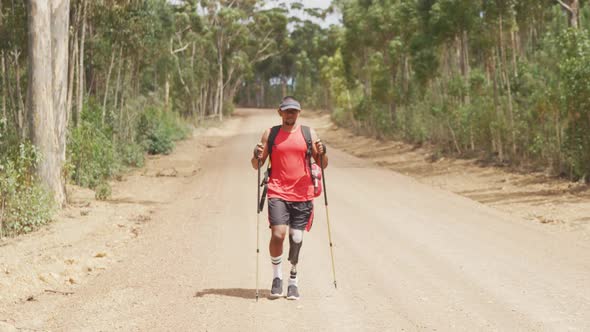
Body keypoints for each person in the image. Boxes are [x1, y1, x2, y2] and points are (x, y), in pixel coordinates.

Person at [250, 96, 328, 300]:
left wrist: (323, 152)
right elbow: (257, 165)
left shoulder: (308, 133)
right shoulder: (271, 133)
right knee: (278, 234)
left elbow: (322, 163)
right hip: (277, 190)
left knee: (296, 238)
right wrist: (256, 154)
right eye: (287, 110)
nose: (290, 114)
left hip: (303, 193)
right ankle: (277, 278)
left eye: (294, 111)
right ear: (280, 112)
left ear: (299, 113)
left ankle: (293, 279)